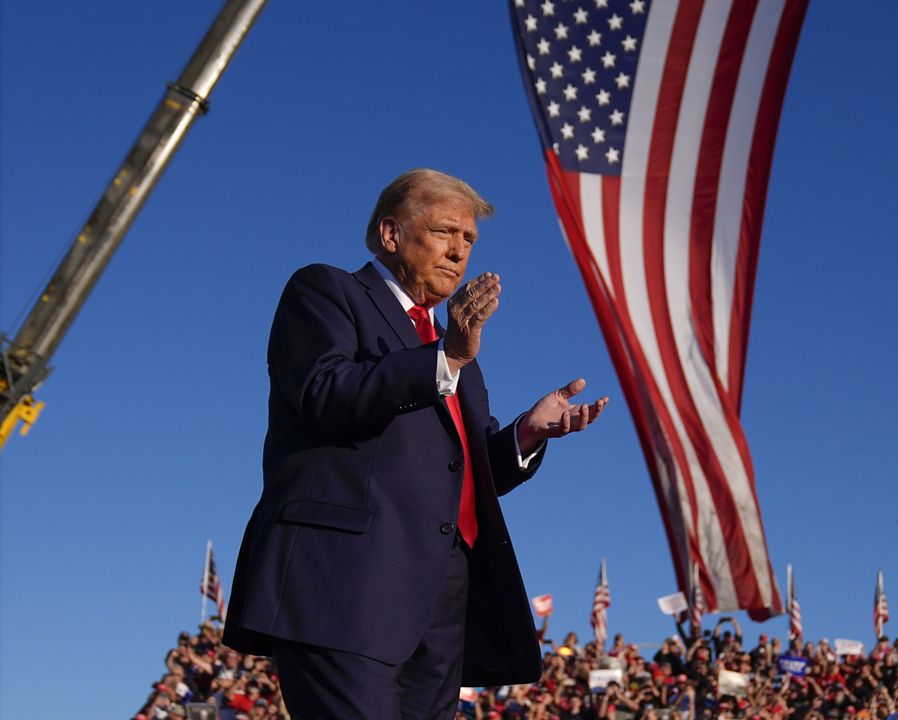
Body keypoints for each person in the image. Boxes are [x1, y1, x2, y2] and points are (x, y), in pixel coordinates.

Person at [223, 168, 609, 719]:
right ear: (390, 235)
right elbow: (327, 394)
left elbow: (461, 471)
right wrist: (445, 357)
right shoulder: (326, 291)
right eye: (446, 232)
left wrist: (525, 432)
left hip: (441, 601)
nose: (459, 251)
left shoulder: (455, 353)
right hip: (344, 584)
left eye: (469, 240)